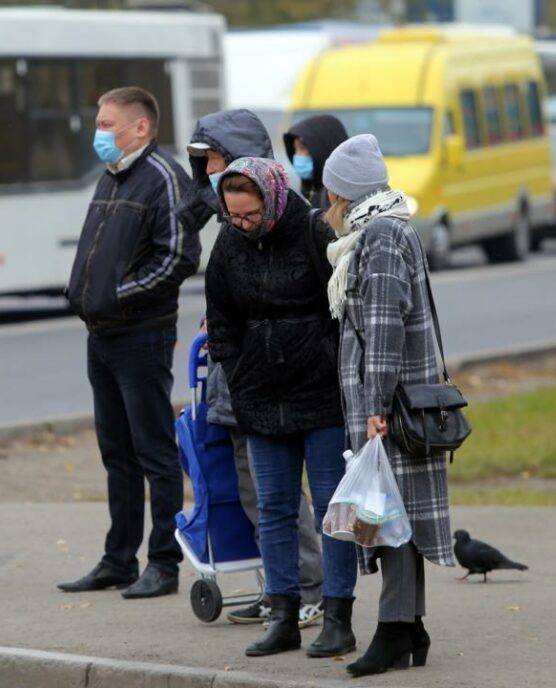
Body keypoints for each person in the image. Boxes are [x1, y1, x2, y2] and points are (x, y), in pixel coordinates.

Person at [205, 157, 358, 658]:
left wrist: (328, 361)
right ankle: (284, 616)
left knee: (332, 509)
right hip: (260, 398)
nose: (243, 225)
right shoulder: (228, 244)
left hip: (320, 397)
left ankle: (337, 616)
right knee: (274, 510)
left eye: (250, 216)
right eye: (234, 217)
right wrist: (238, 375)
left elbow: (342, 304)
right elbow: (221, 322)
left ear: (271, 201)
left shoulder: (313, 231)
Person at [182, 110, 324, 628]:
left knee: (282, 499)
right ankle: (280, 589)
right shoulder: (231, 225)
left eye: (215, 159)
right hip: (244, 389)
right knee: (256, 497)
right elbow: (223, 315)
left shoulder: (293, 222)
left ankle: (309, 590)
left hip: (282, 389)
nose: (210, 172)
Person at [58, 86, 199, 600]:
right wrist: (82, 293)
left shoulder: (162, 177)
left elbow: (180, 255)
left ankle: (162, 563)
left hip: (141, 333)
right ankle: (118, 558)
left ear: (140, 127)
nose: (99, 133)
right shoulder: (112, 176)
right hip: (102, 334)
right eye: (98, 122)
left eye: (107, 123)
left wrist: (118, 295)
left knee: (154, 453)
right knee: (116, 452)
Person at [321, 134, 454, 678]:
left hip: (390, 408)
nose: (324, 201)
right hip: (397, 402)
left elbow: (382, 325)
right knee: (395, 517)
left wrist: (375, 405)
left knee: (387, 518)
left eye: (328, 191)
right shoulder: (392, 226)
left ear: (345, 194)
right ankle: (411, 628)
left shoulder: (376, 236)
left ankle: (395, 631)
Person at [283, 115, 349, 211]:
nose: (297, 155)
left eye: (302, 148)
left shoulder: (340, 197)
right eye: (295, 150)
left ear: (323, 146)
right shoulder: (311, 193)